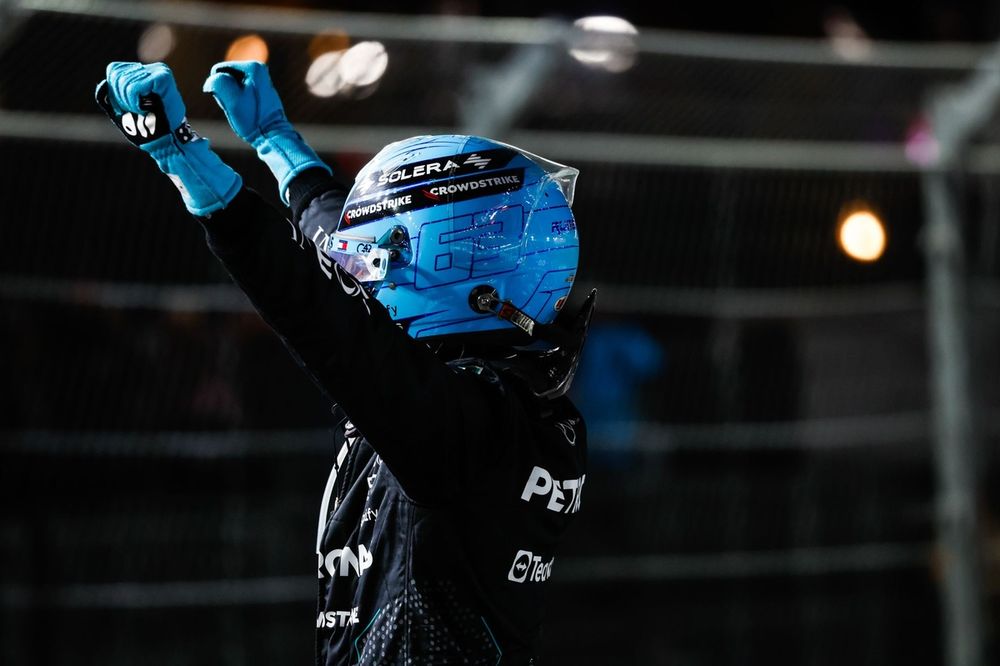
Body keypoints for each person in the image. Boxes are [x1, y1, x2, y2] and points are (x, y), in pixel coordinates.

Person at [96, 60, 595, 665]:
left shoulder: (468, 425)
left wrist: (189, 166)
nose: (364, 258)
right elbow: (343, 251)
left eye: (390, 245)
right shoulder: (506, 400)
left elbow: (322, 316)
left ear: (460, 269)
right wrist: (276, 142)